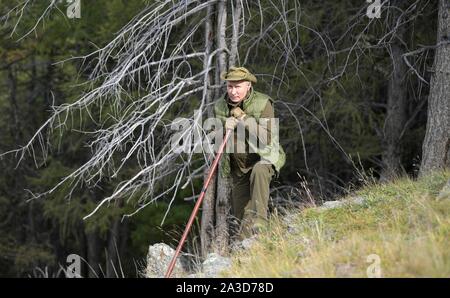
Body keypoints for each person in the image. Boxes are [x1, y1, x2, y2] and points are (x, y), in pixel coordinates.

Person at [214, 66, 286, 240]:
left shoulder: (263, 103)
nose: (233, 91)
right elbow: (214, 138)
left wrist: (244, 120)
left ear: (248, 86)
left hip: (265, 157)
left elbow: (267, 138)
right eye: (230, 86)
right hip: (239, 168)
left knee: (259, 171)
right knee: (242, 219)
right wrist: (223, 128)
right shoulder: (220, 106)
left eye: (238, 86)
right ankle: (249, 251)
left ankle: (261, 223)